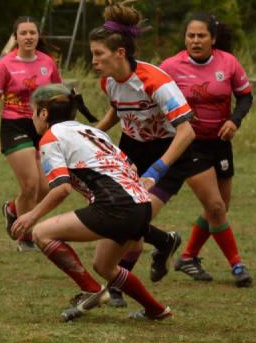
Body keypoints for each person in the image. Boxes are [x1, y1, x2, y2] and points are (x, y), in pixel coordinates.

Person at [11, 84, 172, 321]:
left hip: (114, 206)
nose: (32, 117)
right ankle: (156, 310)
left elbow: (62, 188)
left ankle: (91, 290)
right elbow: (132, 167)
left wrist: (31, 216)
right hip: (141, 204)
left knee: (42, 233)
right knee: (105, 266)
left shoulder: (51, 137)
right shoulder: (94, 132)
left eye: (32, 111)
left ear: (43, 113)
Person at [90, 0, 210, 306]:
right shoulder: (109, 82)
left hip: (169, 150)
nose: (93, 60)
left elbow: (187, 129)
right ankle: (164, 242)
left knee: (133, 220)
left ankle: (118, 284)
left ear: (120, 52)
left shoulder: (154, 81)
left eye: (98, 54)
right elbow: (118, 111)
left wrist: (157, 170)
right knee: (125, 217)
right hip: (132, 148)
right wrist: (94, 131)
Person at [160, 13, 253, 287]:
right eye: (191, 35)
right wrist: (175, 119)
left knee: (219, 208)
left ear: (213, 39)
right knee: (214, 206)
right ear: (185, 39)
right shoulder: (170, 66)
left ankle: (188, 257)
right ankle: (237, 265)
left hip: (220, 143)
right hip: (189, 144)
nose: (196, 40)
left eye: (202, 36)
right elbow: (154, 98)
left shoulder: (228, 62)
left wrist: (234, 121)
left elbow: (245, 97)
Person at [0, 16, 63, 251]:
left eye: (33, 32)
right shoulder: (5, 64)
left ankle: (12, 209)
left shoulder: (48, 62)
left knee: (46, 188)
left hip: (42, 126)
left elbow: (58, 95)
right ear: (16, 37)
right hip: (15, 125)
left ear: (38, 36)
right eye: (24, 33)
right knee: (30, 184)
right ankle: (26, 237)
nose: (29, 37)